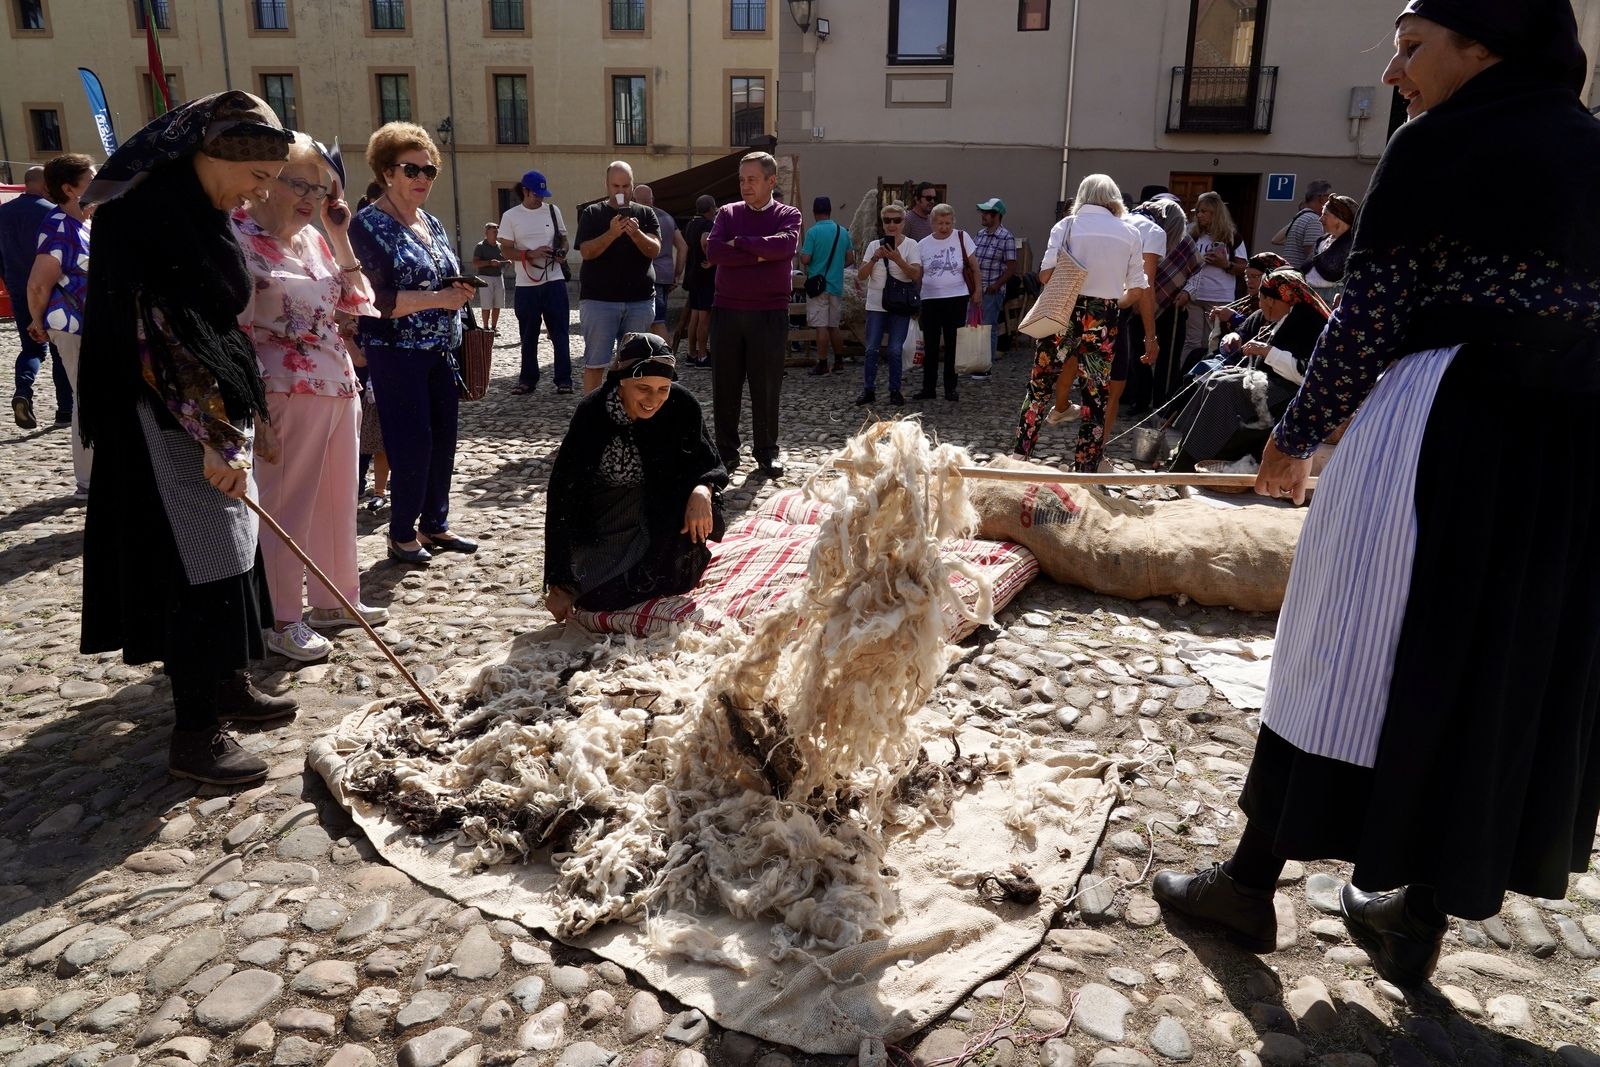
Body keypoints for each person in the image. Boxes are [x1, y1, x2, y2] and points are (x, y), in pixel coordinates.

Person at [1154, 0, 1600, 991]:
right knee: (1492, 666)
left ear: (1486, 45)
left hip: (1447, 426)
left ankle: (1249, 879)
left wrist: (1293, 438)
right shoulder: (1592, 147)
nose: (1394, 73)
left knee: (1341, 637)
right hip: (1565, 453)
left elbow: (1367, 319)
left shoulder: (1436, 144)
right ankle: (1417, 916)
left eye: (1411, 47)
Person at [76, 90, 301, 786]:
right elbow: (158, 338)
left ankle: (229, 679)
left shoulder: (202, 212)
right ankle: (196, 729)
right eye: (256, 177)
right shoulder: (145, 218)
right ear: (210, 156)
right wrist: (212, 433)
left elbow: (215, 322)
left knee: (233, 553)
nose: (259, 193)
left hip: (208, 413)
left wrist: (242, 417)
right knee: (193, 568)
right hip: (164, 418)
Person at [232, 132, 388, 661]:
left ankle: (335, 598)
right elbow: (234, 329)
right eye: (299, 183)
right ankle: (282, 618)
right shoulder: (237, 235)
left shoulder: (314, 240)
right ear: (265, 181)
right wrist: (251, 406)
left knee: (338, 497)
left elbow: (359, 302)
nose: (310, 197)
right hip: (280, 387)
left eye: (320, 189)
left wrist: (338, 234)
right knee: (287, 503)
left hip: (337, 381)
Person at [349, 121, 479, 565]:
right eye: (412, 170)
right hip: (395, 352)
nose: (422, 179)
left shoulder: (431, 222)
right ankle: (401, 531)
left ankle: (434, 523)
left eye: (429, 172)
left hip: (441, 348)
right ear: (387, 172)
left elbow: (442, 276)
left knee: (444, 438)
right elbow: (375, 299)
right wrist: (440, 298)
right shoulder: (366, 226)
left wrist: (457, 290)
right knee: (412, 442)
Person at [543, 333, 728, 622]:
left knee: (676, 567)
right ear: (622, 381)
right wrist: (558, 580)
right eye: (643, 388)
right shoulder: (594, 413)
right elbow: (563, 494)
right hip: (608, 519)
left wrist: (703, 490)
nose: (653, 400)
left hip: (662, 514)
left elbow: (707, 462)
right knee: (595, 596)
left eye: (663, 389)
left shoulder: (682, 404)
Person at [1013, 175, 1150, 470]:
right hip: (1104, 317)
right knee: (1096, 394)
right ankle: (1085, 466)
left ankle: (1020, 456)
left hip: (1063, 310)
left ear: (1081, 197)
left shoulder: (1067, 226)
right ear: (1114, 199)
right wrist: (1111, 301)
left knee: (1040, 385)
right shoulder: (1130, 231)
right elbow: (1137, 290)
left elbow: (1045, 276)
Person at [1165, 269, 1330, 472]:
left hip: (1290, 392)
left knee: (1224, 387)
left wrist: (1267, 351)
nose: (1260, 304)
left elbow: (1306, 373)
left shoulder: (1309, 323)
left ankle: (1189, 461)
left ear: (1271, 300)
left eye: (1261, 299)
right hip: (1273, 381)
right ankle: (1184, 451)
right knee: (1214, 378)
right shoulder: (1288, 314)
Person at [705, 151, 801, 478]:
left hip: (768, 313)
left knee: (765, 387)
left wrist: (742, 244)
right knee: (725, 387)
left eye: (752, 179)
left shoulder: (788, 214)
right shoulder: (728, 213)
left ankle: (766, 452)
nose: (745, 186)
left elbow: (785, 248)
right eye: (742, 179)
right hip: (728, 310)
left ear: (771, 181)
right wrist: (760, 254)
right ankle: (726, 453)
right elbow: (714, 251)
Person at [24, 153, 95, 497]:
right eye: (91, 181)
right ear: (69, 188)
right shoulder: (57, 226)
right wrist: (36, 322)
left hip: (89, 325)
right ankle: (88, 481)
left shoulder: (84, 222)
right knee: (87, 398)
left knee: (95, 396)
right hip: (70, 325)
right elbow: (38, 284)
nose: (98, 186)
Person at [574, 161, 661, 394]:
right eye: (616, 185)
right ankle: (592, 415)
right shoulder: (592, 213)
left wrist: (637, 234)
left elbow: (655, 250)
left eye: (625, 185)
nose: (620, 191)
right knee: (595, 363)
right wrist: (612, 233)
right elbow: (586, 252)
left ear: (633, 185)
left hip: (639, 301)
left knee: (633, 364)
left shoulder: (645, 213)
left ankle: (629, 412)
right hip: (599, 301)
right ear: (607, 185)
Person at [3, 165, 70, 430]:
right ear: (45, 186)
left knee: (31, 348)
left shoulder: (3, 213)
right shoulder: (52, 213)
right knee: (58, 351)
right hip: (52, 290)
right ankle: (65, 410)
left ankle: (23, 390)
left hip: (18, 290)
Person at [499, 170, 573, 395]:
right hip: (526, 285)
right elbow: (505, 249)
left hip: (554, 280)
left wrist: (561, 252)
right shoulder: (511, 216)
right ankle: (527, 379)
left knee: (560, 332)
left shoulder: (553, 211)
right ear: (525, 191)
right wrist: (530, 254)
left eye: (543, 193)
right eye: (536, 194)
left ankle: (564, 379)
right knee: (528, 335)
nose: (540, 198)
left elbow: (564, 240)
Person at [854, 200, 922, 408]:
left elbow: (915, 275)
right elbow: (861, 275)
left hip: (899, 305)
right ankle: (869, 390)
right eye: (887, 220)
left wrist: (898, 259)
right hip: (876, 305)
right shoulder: (874, 245)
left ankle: (895, 390)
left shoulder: (911, 245)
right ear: (882, 223)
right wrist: (875, 259)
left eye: (897, 220)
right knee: (871, 349)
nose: (892, 224)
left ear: (903, 222)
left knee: (894, 350)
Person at [914, 204, 979, 404]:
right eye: (940, 223)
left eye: (948, 223)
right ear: (932, 223)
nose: (944, 227)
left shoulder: (962, 237)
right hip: (930, 299)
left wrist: (978, 292)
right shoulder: (922, 245)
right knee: (931, 345)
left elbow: (974, 267)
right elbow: (918, 274)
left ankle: (951, 387)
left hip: (956, 298)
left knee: (953, 344)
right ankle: (929, 387)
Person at [1175, 191, 1247, 365]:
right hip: (1194, 295)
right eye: (1197, 211)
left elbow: (1244, 267)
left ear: (1216, 214)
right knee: (1191, 341)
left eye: (1204, 211)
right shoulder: (1193, 235)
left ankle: (1204, 379)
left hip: (1219, 297)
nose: (1199, 215)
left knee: (1212, 341)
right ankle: (1184, 378)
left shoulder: (1232, 237)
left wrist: (1225, 264)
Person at [799, 195, 854, 376]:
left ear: (814, 212)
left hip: (817, 286)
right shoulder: (842, 231)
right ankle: (838, 361)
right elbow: (850, 259)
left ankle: (822, 363)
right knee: (834, 326)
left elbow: (806, 259)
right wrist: (836, 268)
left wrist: (803, 257)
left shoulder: (813, 233)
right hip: (836, 285)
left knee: (821, 326)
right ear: (830, 211)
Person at [633, 183, 687, 343]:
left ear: (634, 199)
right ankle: (656, 359)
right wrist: (677, 274)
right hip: (666, 275)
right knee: (656, 320)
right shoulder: (668, 217)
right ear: (653, 199)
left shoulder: (638, 219)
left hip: (648, 274)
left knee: (656, 322)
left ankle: (667, 359)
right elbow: (683, 247)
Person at [972, 197, 1018, 376]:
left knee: (987, 327)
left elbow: (1012, 266)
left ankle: (985, 366)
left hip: (992, 291)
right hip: (976, 289)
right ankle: (974, 361)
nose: (983, 215)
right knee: (975, 327)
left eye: (986, 213)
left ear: (996, 215)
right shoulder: (980, 234)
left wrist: (996, 285)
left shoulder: (1006, 237)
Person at [681, 194, 718, 367]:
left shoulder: (690, 224)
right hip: (705, 276)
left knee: (694, 315)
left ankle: (691, 352)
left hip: (692, 275)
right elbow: (706, 240)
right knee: (704, 317)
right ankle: (702, 355)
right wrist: (712, 259)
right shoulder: (707, 224)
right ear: (711, 209)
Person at [1305, 194, 1358, 304]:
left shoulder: (1352, 245)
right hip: (1310, 297)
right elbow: (1305, 268)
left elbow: (1335, 272)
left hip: (1333, 301)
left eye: (1325, 215)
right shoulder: (1321, 241)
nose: (1320, 219)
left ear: (1338, 218)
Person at [1271, 179, 1332, 269]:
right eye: (1330, 197)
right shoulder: (1314, 220)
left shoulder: (1301, 218)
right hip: (1300, 279)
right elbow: (1313, 256)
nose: (1332, 201)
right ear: (1322, 198)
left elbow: (1275, 240)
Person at [470, 222, 506, 332]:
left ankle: (494, 327)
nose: (496, 233)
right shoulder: (480, 246)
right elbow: (475, 263)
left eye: (497, 231)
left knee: (498, 303)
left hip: (498, 277)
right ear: (487, 233)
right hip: (485, 277)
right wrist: (490, 263)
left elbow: (503, 261)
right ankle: (485, 327)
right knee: (486, 304)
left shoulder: (500, 246)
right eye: (494, 231)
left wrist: (506, 262)